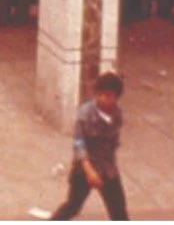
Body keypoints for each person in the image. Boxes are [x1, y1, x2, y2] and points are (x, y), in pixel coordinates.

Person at [49, 71, 129, 220]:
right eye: (101, 94)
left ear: (116, 97)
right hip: (84, 169)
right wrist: (89, 171)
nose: (103, 99)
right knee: (73, 206)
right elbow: (79, 144)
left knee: (119, 212)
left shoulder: (117, 114)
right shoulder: (85, 114)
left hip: (108, 169)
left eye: (108, 95)